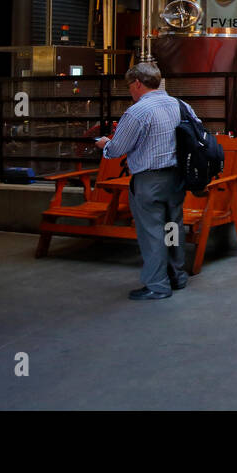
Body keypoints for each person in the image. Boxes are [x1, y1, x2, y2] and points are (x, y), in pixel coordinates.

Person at [95, 62, 197, 300]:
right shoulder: (181, 105)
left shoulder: (138, 111)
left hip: (149, 180)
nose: (130, 90)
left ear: (137, 83)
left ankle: (157, 284)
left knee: (152, 231)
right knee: (172, 227)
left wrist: (104, 145)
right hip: (178, 178)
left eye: (129, 86)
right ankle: (177, 275)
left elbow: (117, 148)